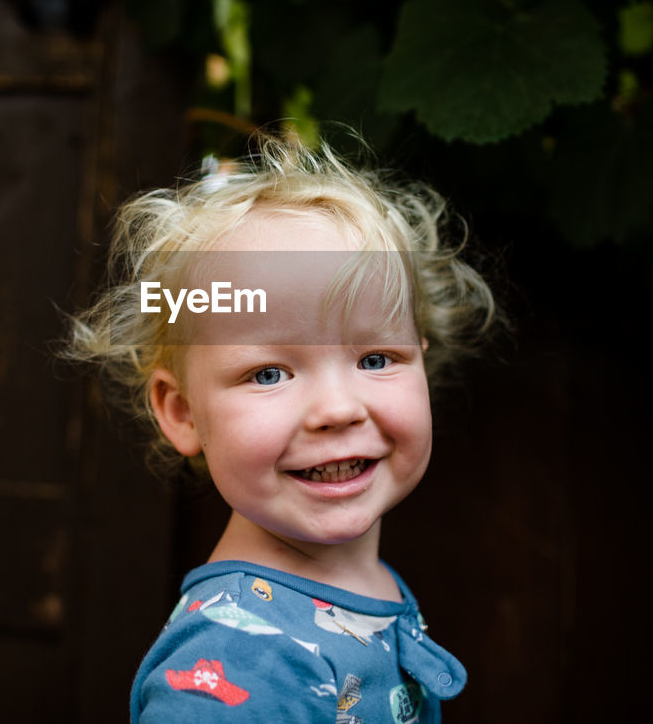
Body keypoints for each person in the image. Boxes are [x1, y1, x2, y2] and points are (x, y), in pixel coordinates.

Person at [67, 132, 496, 722]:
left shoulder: (365, 581)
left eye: (375, 359)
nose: (338, 409)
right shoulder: (234, 662)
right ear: (183, 412)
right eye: (269, 373)